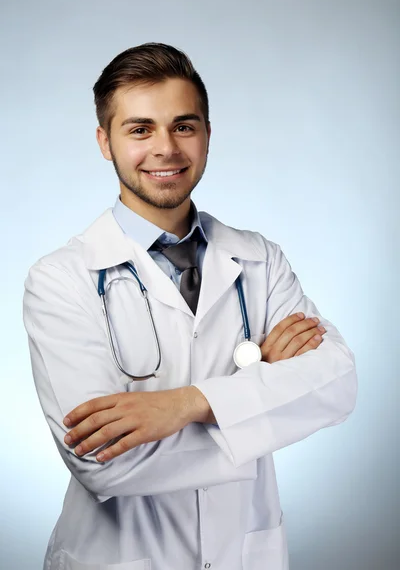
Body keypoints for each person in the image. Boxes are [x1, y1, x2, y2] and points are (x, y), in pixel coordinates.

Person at [23, 42, 357, 570]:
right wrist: (263, 399)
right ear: (104, 142)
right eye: (139, 129)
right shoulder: (61, 279)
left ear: (206, 133)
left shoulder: (259, 259)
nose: (166, 149)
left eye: (183, 126)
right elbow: (102, 461)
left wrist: (187, 403)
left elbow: (336, 384)